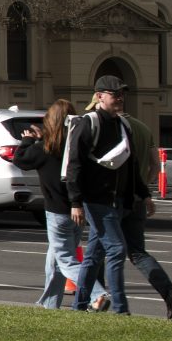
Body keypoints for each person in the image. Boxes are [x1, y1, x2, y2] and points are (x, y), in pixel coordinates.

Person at [66, 74, 140, 314]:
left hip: (118, 199)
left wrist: (143, 194)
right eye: (115, 94)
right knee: (117, 250)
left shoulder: (123, 124)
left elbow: (131, 163)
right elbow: (74, 165)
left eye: (122, 94)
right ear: (99, 96)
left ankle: (78, 306)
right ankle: (121, 310)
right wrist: (75, 201)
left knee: (93, 256)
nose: (120, 98)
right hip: (96, 199)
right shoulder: (87, 123)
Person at [115, 94, 172, 321]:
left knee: (101, 250)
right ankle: (170, 294)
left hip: (116, 199)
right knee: (137, 252)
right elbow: (155, 165)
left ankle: (99, 299)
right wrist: (145, 189)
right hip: (138, 197)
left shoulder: (111, 128)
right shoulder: (144, 128)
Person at [12, 97, 83, 308]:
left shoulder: (44, 148)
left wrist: (27, 140)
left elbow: (21, 159)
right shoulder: (77, 146)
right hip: (78, 209)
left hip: (56, 212)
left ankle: (97, 292)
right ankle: (49, 303)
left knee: (65, 260)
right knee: (55, 260)